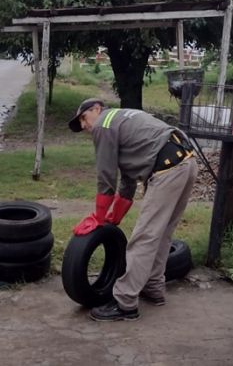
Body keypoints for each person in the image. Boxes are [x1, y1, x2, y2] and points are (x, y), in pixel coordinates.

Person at [68, 98, 198, 321]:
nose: (84, 126)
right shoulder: (121, 119)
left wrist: (98, 217)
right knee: (162, 233)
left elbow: (106, 176)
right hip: (187, 161)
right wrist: (113, 218)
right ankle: (153, 288)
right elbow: (127, 180)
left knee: (144, 237)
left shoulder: (103, 124)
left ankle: (124, 302)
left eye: (83, 118)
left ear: (97, 109)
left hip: (167, 168)